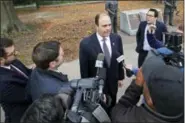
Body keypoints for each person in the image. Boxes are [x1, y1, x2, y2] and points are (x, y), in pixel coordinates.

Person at [111, 49, 184, 123]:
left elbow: (118, 111)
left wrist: (136, 86)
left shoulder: (126, 118)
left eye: (146, 84)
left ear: (150, 101)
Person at [79, 13, 125, 112]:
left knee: (112, 107)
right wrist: (88, 88)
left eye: (109, 25)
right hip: (96, 88)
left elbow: (120, 57)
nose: (108, 28)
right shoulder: (86, 44)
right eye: (104, 26)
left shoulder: (116, 38)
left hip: (113, 83)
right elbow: (84, 69)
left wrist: (121, 76)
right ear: (96, 26)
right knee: (99, 112)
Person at [0, 38, 32, 123]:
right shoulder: (3, 85)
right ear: (1, 60)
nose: (17, 53)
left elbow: (28, 73)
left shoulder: (12, 61)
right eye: (12, 53)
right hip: (23, 115)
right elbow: (27, 96)